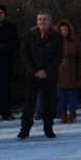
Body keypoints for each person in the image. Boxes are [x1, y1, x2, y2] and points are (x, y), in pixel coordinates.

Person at [18, 9, 63, 139]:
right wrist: (34, 71)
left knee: (50, 103)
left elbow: (59, 57)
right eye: (39, 19)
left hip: (49, 75)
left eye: (44, 19)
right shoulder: (29, 35)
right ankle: (25, 129)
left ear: (50, 21)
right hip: (33, 75)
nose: (41, 22)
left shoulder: (57, 37)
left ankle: (48, 128)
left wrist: (46, 71)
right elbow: (24, 53)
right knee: (29, 103)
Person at [56, 19, 81, 124]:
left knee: (72, 94)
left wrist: (80, 70)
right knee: (61, 94)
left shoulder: (75, 42)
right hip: (60, 71)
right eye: (62, 30)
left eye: (66, 29)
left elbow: (80, 56)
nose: (64, 32)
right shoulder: (56, 42)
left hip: (72, 71)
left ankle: (72, 112)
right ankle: (63, 113)